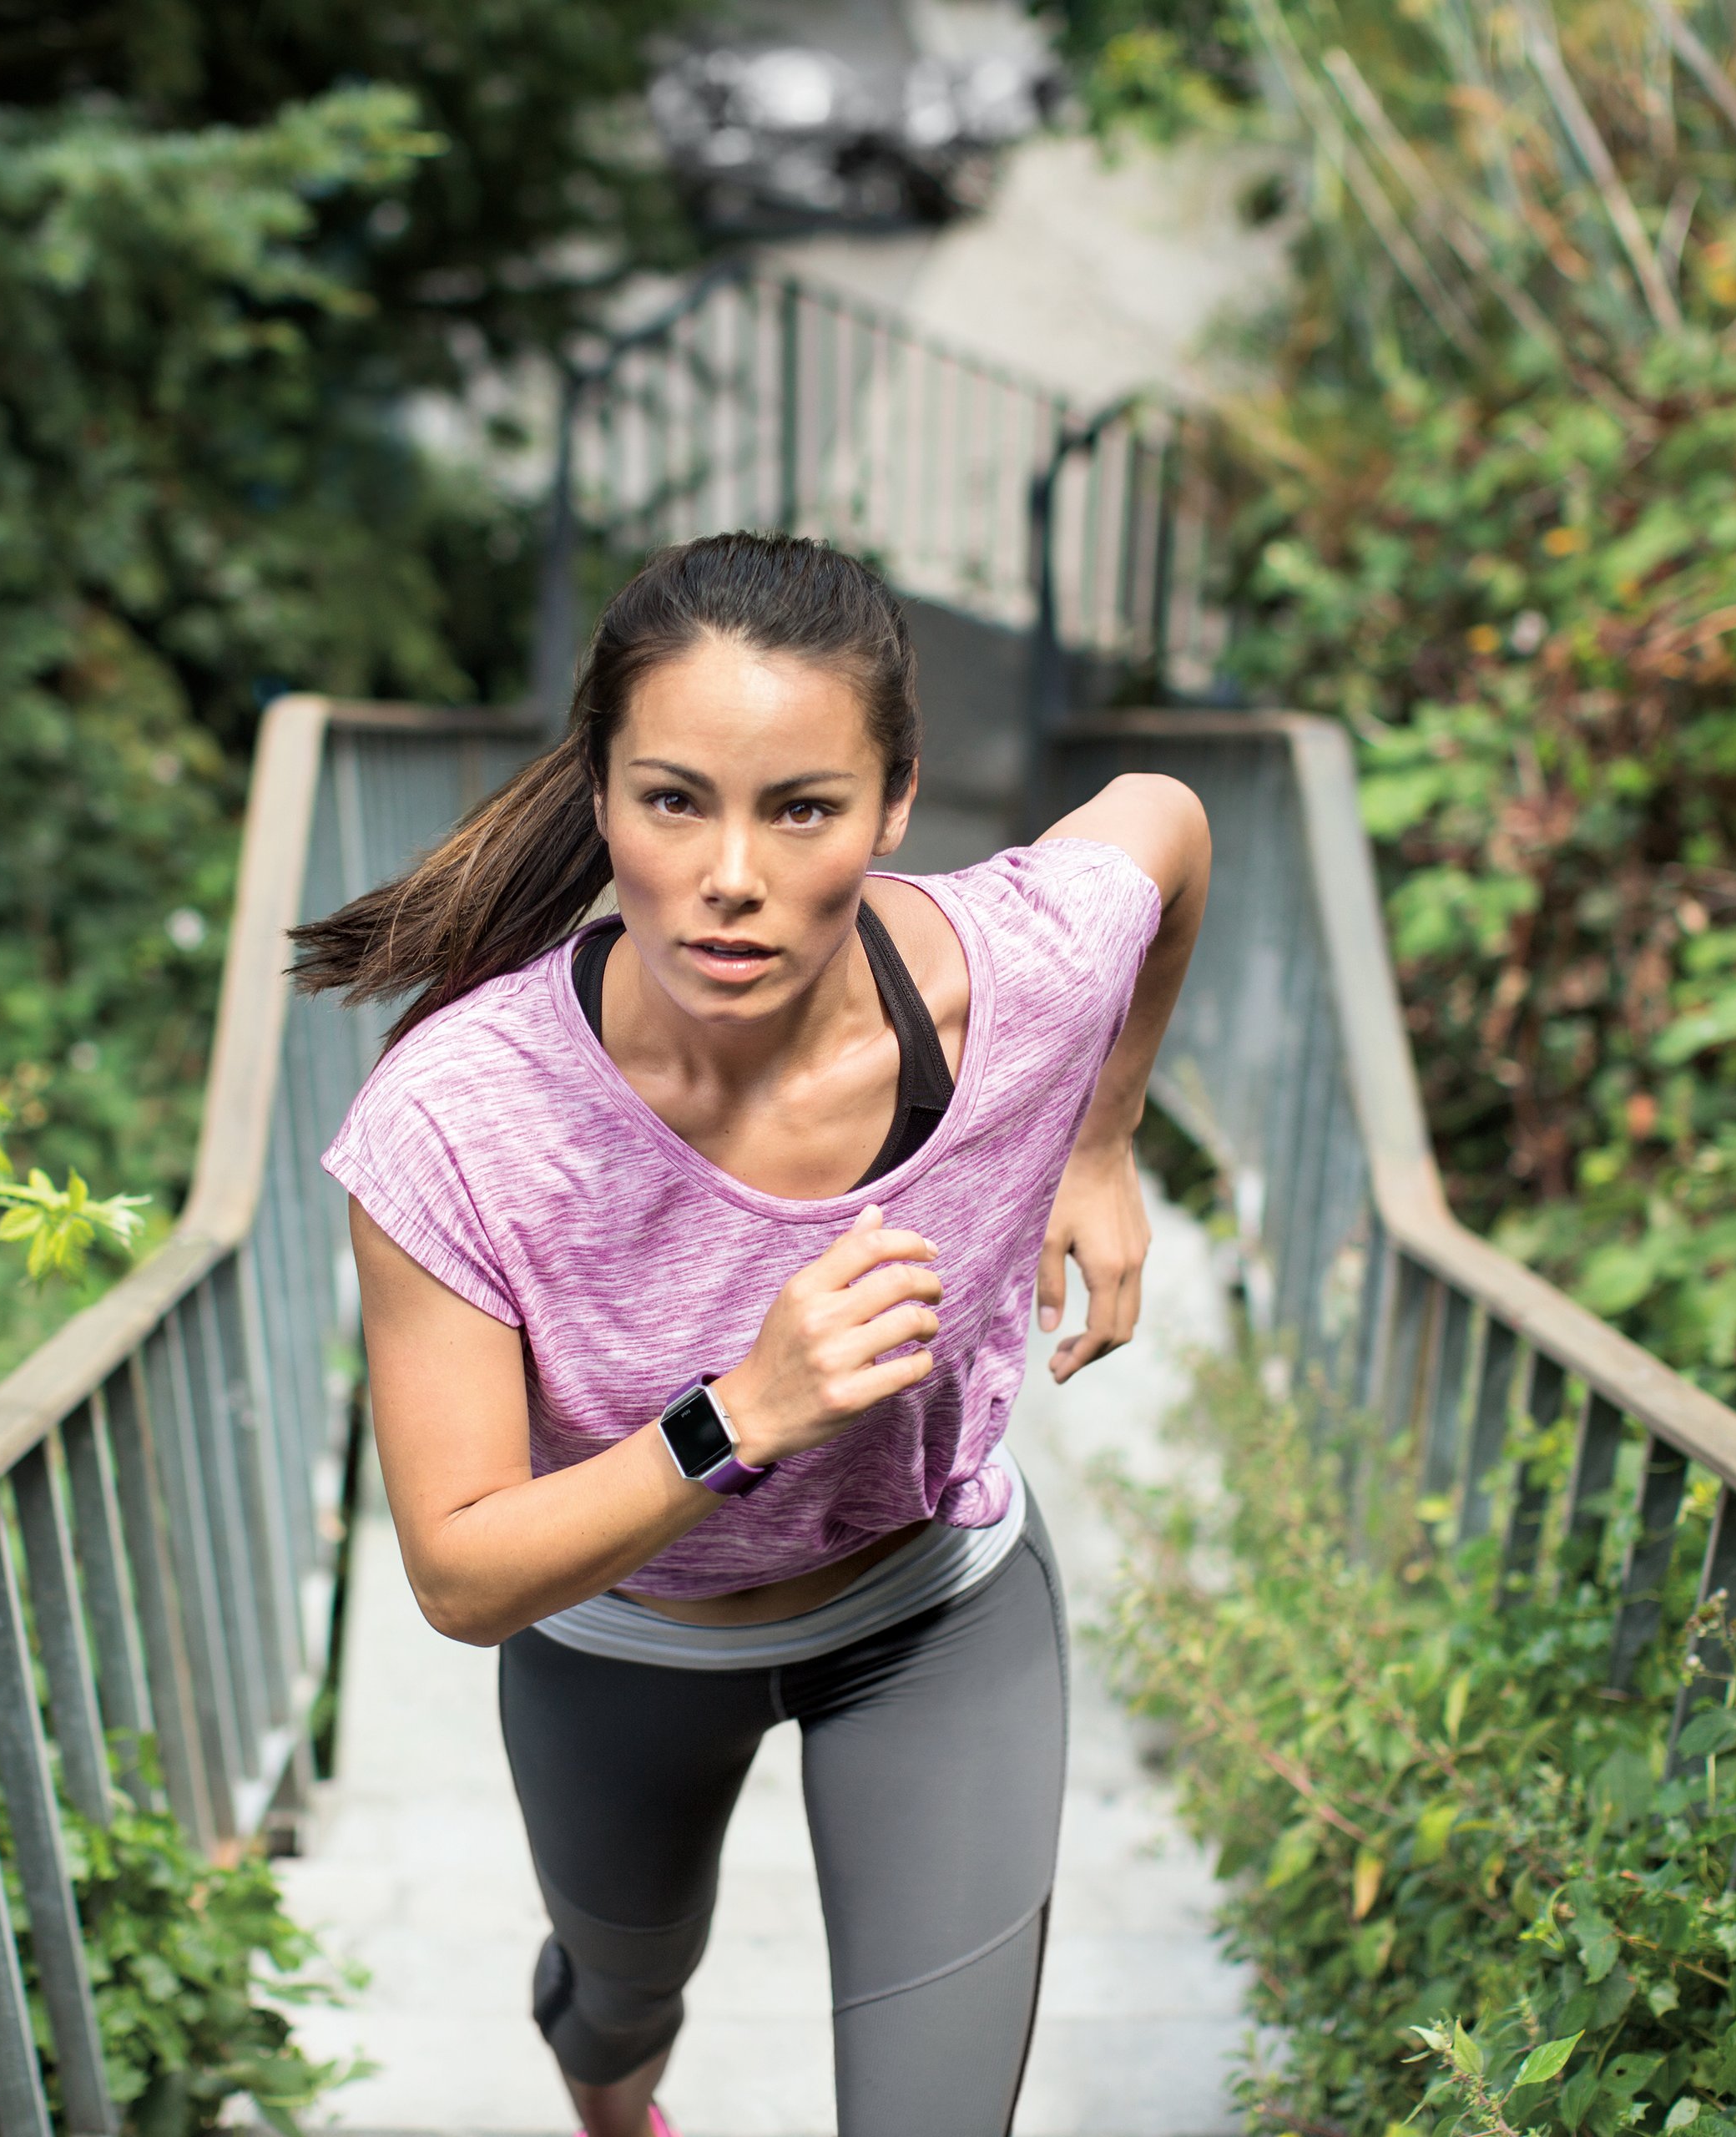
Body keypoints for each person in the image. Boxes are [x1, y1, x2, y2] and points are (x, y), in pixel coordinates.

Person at [291, 532, 1209, 2137]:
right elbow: (459, 1574)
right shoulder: (461, 1116)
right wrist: (743, 1413)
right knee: (619, 2001)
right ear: (599, 796)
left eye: (802, 809)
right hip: (620, 1641)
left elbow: (1168, 822)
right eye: (674, 801)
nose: (731, 874)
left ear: (895, 802)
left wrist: (1102, 1140)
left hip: (931, 1613)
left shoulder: (1022, 977)